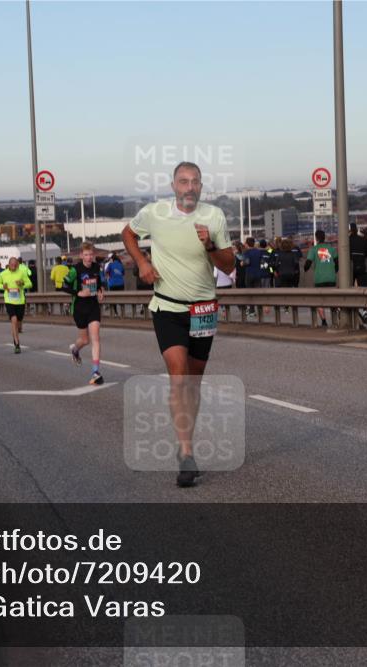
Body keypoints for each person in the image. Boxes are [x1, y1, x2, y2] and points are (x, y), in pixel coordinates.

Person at [122, 161, 235, 488]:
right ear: (173, 186)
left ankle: (188, 441)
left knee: (194, 382)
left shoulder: (214, 217)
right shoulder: (155, 213)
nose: (189, 187)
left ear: (201, 186)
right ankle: (186, 452)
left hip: (203, 309)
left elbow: (228, 265)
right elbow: (128, 233)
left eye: (195, 182)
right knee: (179, 374)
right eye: (183, 181)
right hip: (167, 306)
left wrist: (210, 246)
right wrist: (142, 261)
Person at [64, 242, 106, 384]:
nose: (89, 257)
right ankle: (75, 350)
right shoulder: (75, 270)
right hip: (80, 308)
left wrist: (101, 292)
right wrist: (78, 293)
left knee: (96, 338)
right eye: (86, 255)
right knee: (84, 340)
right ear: (81, 255)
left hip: (93, 306)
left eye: (91, 254)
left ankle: (95, 372)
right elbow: (64, 286)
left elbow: (100, 283)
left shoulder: (96, 267)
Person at [0, 256, 32, 353]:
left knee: (18, 322)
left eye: (15, 265)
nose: (14, 267)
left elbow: (30, 284)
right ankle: (17, 344)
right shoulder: (3, 274)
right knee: (14, 320)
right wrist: (3, 287)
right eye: (12, 265)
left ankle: (17, 330)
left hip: (20, 300)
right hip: (9, 300)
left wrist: (22, 283)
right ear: (9, 264)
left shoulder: (22, 273)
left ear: (18, 265)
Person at [304, 230, 338, 327]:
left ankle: (323, 320)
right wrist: (333, 271)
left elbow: (308, 264)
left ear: (316, 238)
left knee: (319, 301)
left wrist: (305, 269)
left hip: (319, 279)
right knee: (333, 300)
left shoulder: (313, 249)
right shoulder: (331, 249)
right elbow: (337, 262)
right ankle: (335, 320)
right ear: (324, 237)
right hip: (331, 278)